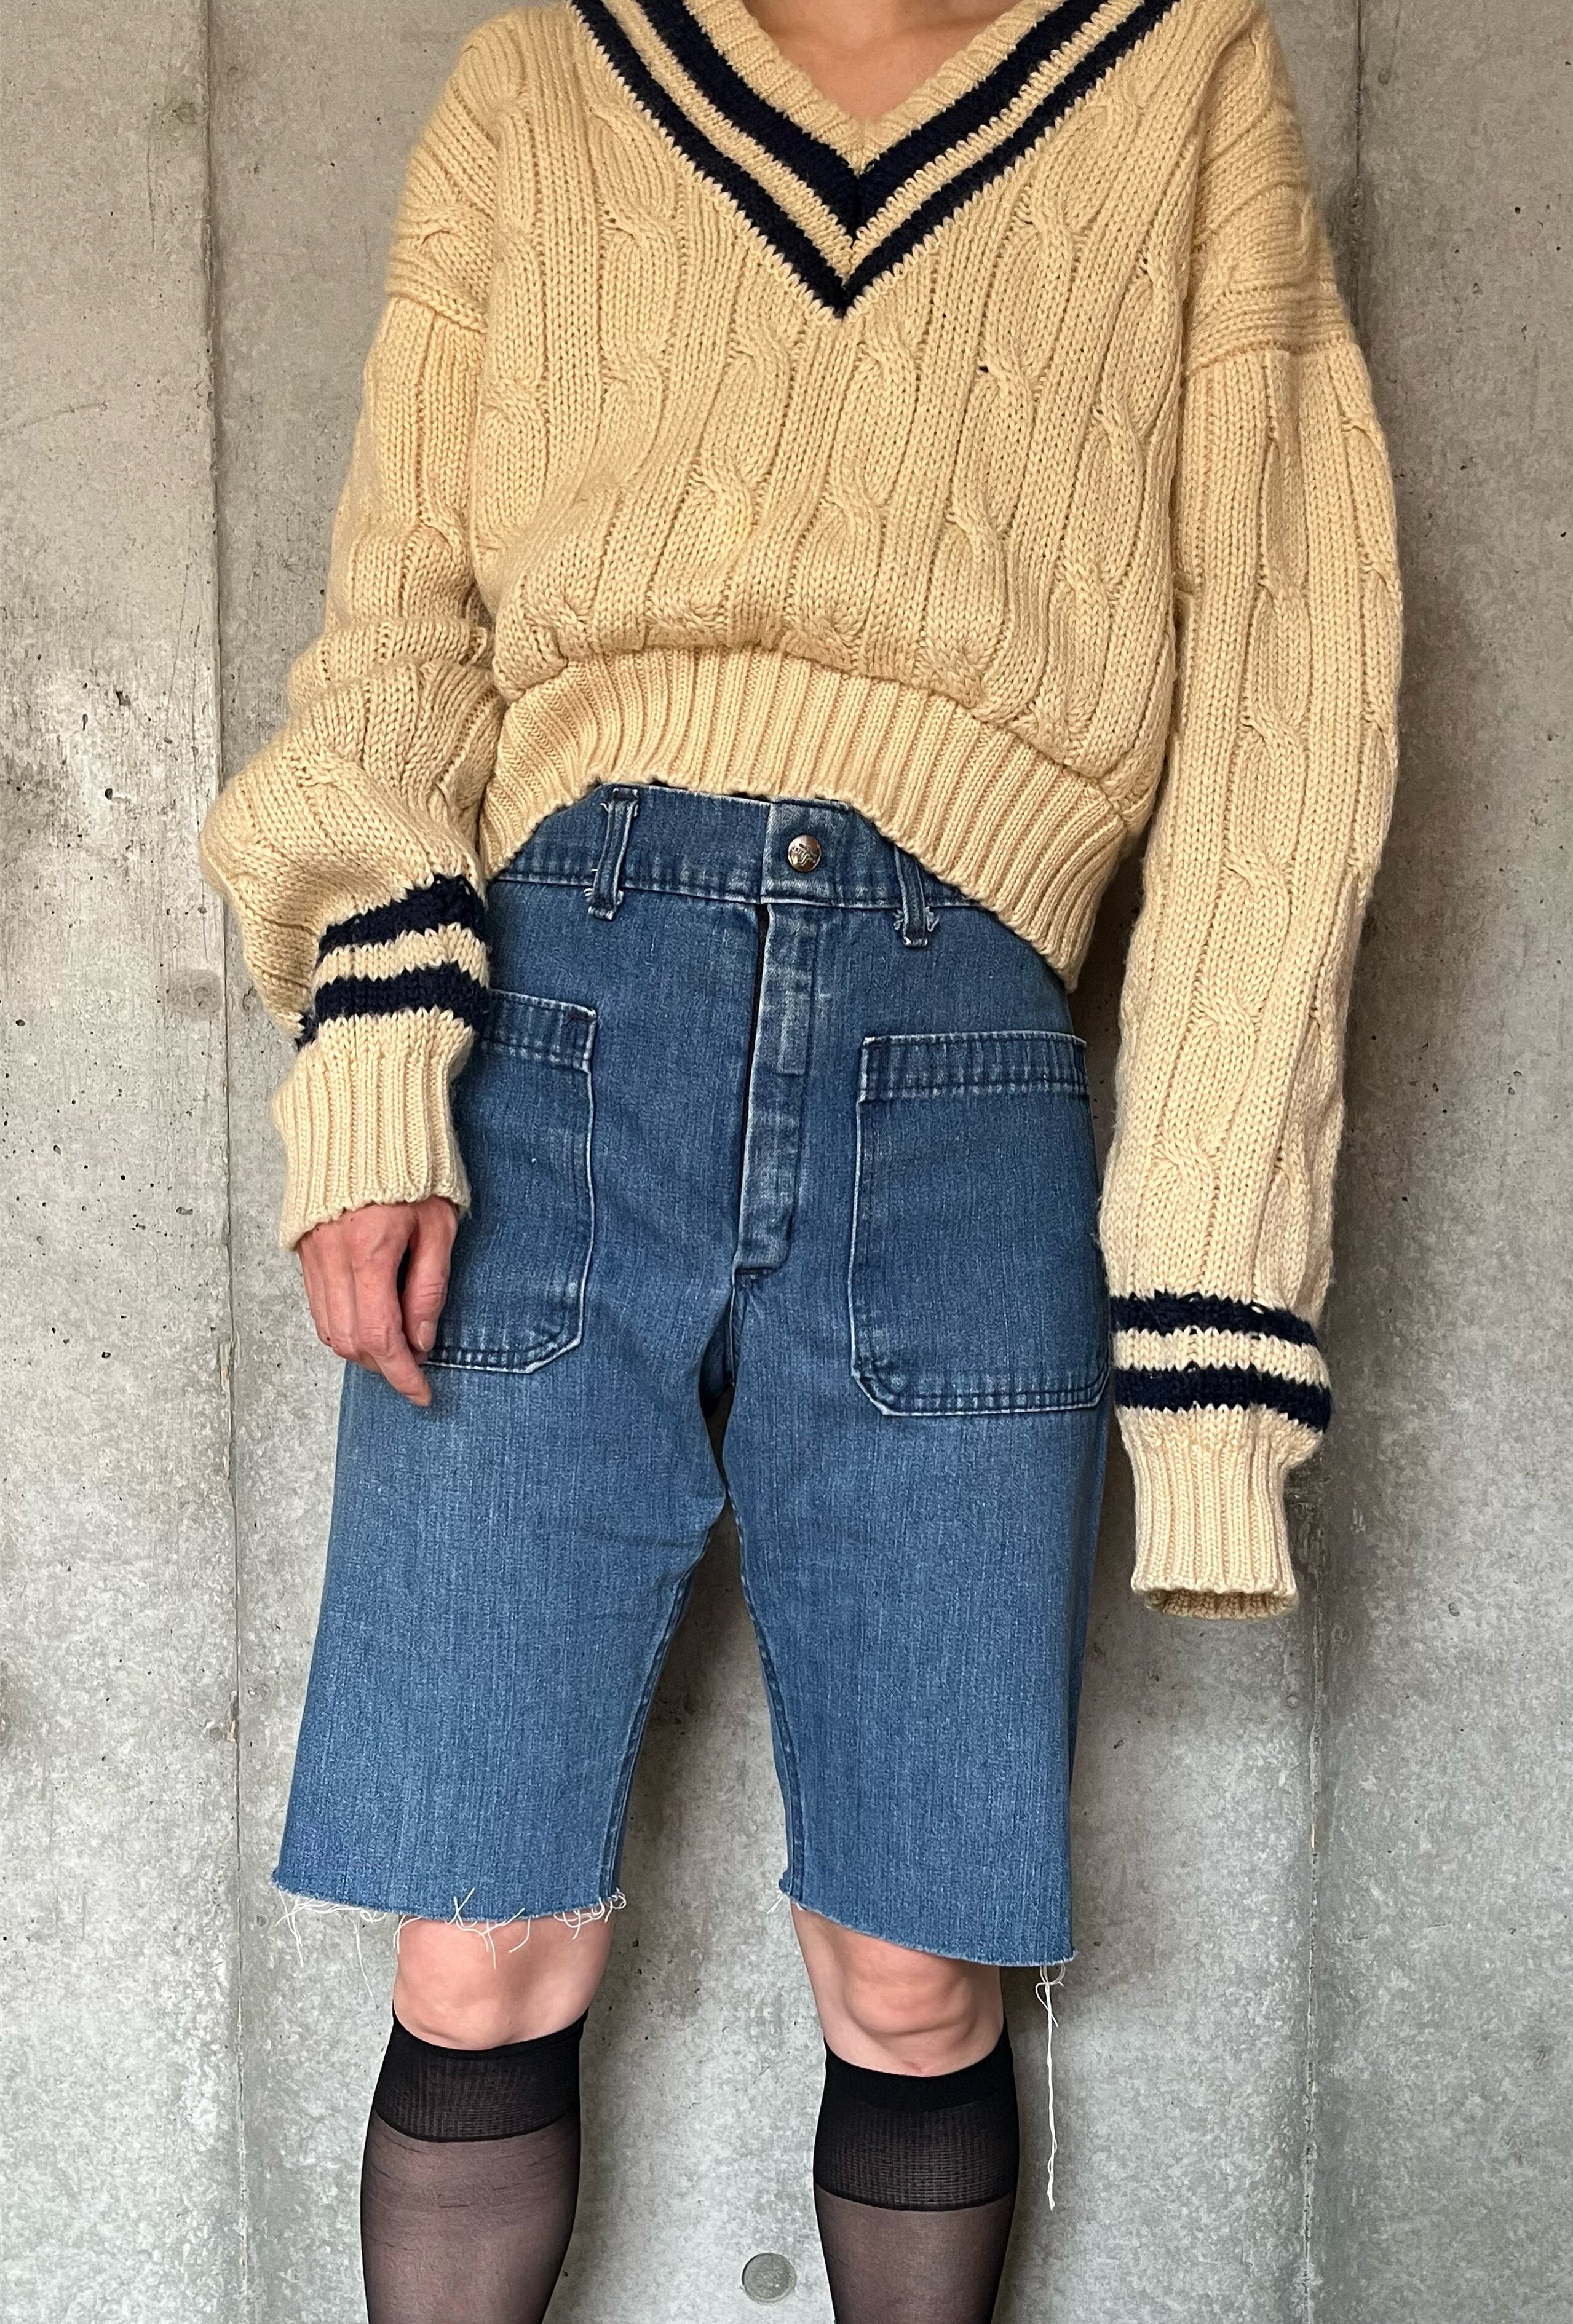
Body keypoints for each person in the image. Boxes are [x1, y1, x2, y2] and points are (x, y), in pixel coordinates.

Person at [197, 0, 1401, 2314]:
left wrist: (1213, 1337)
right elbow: (401, 616)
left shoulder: (1174, 78)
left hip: (962, 1058)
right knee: (477, 1945)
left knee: (916, 1973)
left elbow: (1290, 684)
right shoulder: (550, 73)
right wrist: (370, 1075)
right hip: (547, 1039)